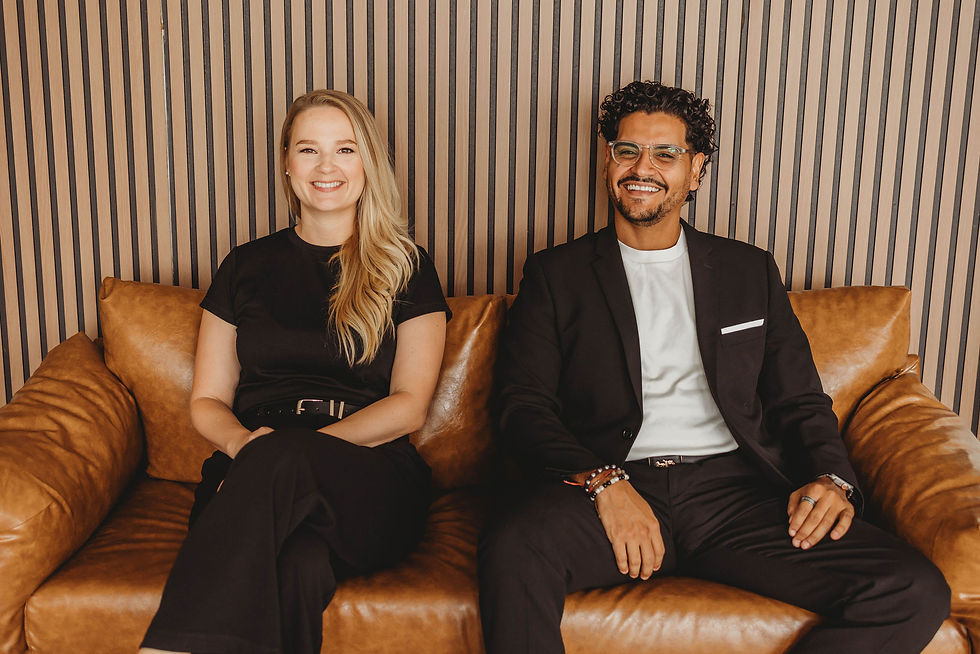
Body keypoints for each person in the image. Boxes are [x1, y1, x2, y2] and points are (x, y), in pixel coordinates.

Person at [478, 80, 949, 654]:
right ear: (608, 162)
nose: (641, 167)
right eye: (626, 150)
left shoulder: (747, 271)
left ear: (696, 169)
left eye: (665, 154)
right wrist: (603, 483)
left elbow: (798, 398)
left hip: (734, 494)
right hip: (613, 484)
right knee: (514, 548)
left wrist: (832, 477)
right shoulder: (556, 274)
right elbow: (523, 407)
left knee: (911, 588)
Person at [140, 89, 450, 654]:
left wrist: (294, 457)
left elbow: (410, 404)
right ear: (286, 162)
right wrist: (247, 449)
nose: (326, 166)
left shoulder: (407, 266)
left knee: (285, 461)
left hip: (367, 474)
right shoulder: (244, 266)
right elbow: (207, 399)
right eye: (308, 150)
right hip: (251, 460)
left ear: (368, 163)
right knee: (300, 566)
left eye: (345, 149)